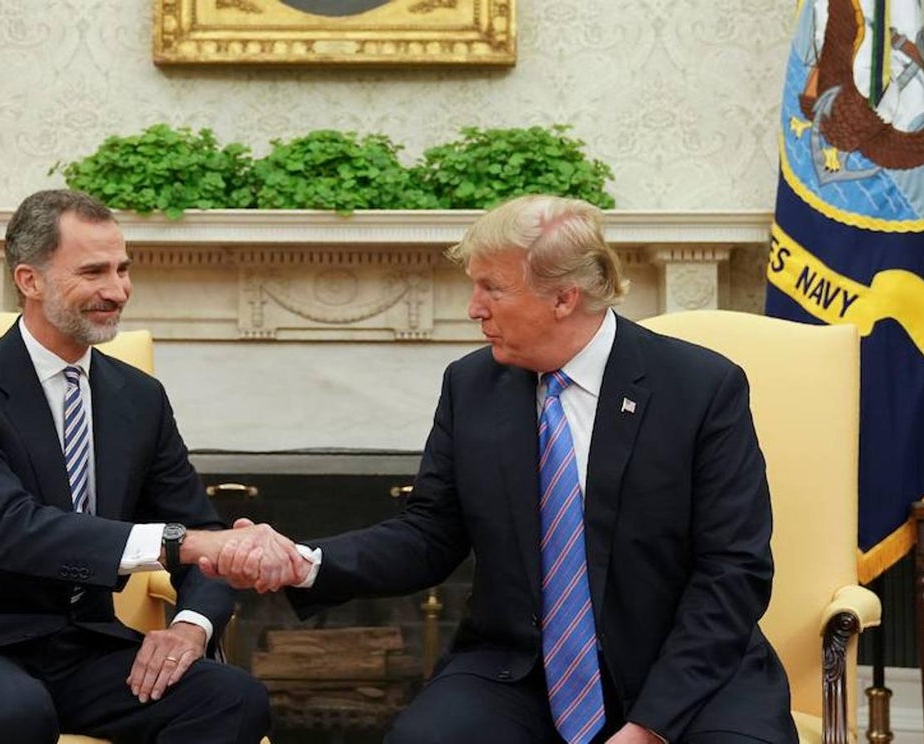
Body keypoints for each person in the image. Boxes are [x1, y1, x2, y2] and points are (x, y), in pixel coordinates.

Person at [206, 195, 798, 743]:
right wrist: (306, 562)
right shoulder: (472, 386)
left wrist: (649, 728)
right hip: (522, 672)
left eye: (492, 288)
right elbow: (428, 534)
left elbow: (734, 570)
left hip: (686, 670)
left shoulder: (699, 388)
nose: (473, 308)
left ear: (564, 298)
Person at [0, 189, 305, 744]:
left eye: (123, 269)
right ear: (30, 280)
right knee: (16, 711)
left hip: (82, 649)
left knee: (233, 699)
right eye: (94, 272)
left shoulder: (139, 398)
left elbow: (203, 532)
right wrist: (185, 544)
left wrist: (189, 628)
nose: (118, 290)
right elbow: (8, 528)